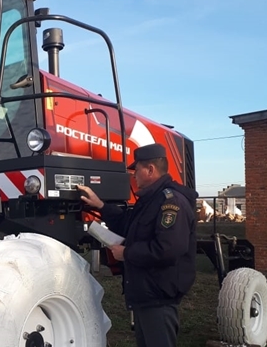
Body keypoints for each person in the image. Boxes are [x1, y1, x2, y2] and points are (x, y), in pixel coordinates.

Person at [77, 143, 198, 347]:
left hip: (159, 297)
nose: (134, 176)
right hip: (146, 295)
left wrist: (127, 253)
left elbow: (168, 249)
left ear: (150, 169)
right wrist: (100, 205)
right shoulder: (150, 200)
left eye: (137, 170)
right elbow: (128, 222)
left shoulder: (171, 202)